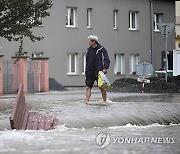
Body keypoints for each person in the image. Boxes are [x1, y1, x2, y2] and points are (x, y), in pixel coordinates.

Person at [85, 35, 110, 104]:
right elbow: (87, 61)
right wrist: (86, 70)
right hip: (90, 72)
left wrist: (105, 68)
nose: (88, 42)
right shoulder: (89, 50)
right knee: (88, 87)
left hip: (99, 71)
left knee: (101, 87)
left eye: (89, 41)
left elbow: (106, 60)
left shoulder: (102, 50)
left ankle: (105, 101)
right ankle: (87, 102)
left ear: (94, 42)